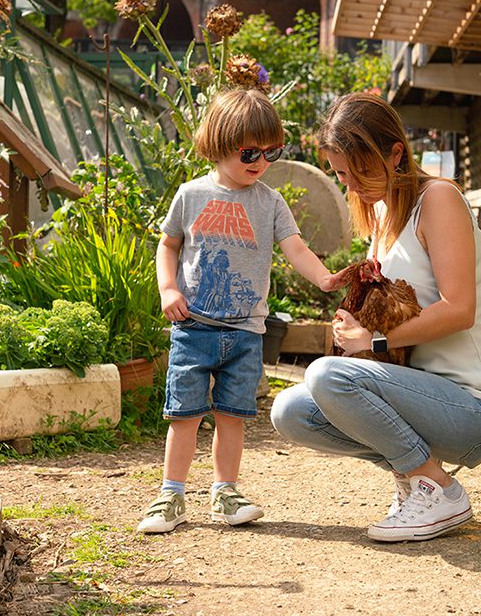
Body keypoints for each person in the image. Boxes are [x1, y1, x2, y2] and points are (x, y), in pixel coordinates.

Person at [270, 92, 481, 542]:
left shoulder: (438, 199)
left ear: (395, 154)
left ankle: (439, 490)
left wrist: (375, 341)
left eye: (359, 170)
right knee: (291, 411)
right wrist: (357, 324)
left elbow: (459, 309)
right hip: (420, 397)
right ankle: (413, 477)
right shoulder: (384, 214)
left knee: (327, 375)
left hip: (477, 406)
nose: (351, 185)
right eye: (341, 174)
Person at [136, 88, 342, 534]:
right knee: (184, 415)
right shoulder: (191, 195)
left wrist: (325, 279)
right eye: (250, 152)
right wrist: (168, 288)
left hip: (247, 332)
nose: (260, 162)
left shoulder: (270, 202)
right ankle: (171, 494)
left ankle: (225, 492)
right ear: (218, 143)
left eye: (271, 152)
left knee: (233, 416)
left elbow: (296, 248)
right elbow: (168, 245)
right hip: (193, 326)